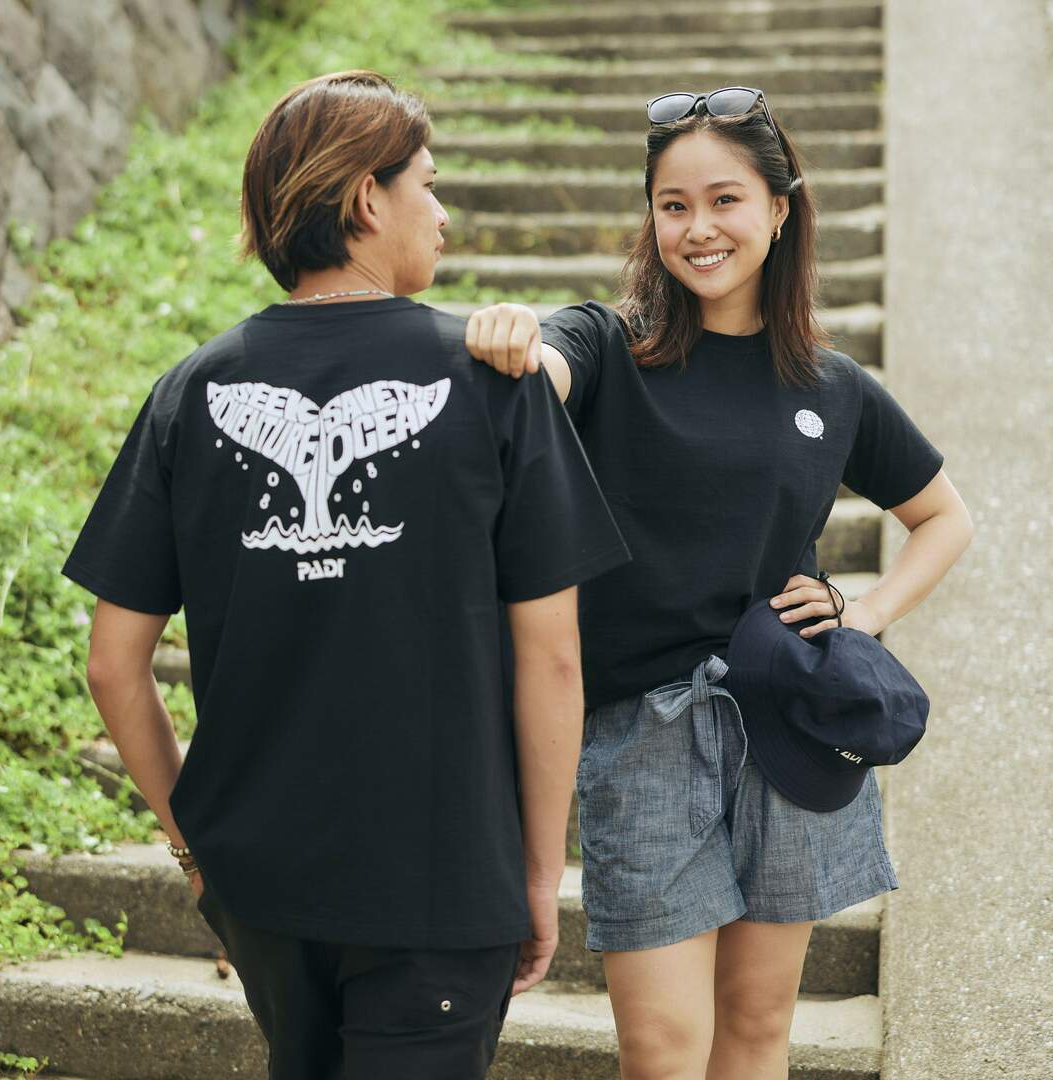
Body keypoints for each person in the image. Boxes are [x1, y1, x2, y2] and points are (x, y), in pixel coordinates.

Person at [60, 70, 629, 1080]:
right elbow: (549, 662)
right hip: (444, 877)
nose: (443, 216)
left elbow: (114, 663)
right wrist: (540, 876)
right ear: (368, 199)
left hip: (262, 878)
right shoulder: (492, 385)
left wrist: (199, 853)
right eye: (430, 184)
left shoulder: (190, 392)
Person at [465, 87, 974, 1079]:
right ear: (650, 217)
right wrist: (513, 339)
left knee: (754, 1027)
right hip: (643, 743)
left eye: (725, 200)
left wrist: (861, 613)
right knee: (662, 1050)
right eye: (673, 205)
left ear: (781, 210)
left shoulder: (832, 386)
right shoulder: (608, 347)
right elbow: (546, 371)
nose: (698, 229)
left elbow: (945, 518)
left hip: (788, 727)